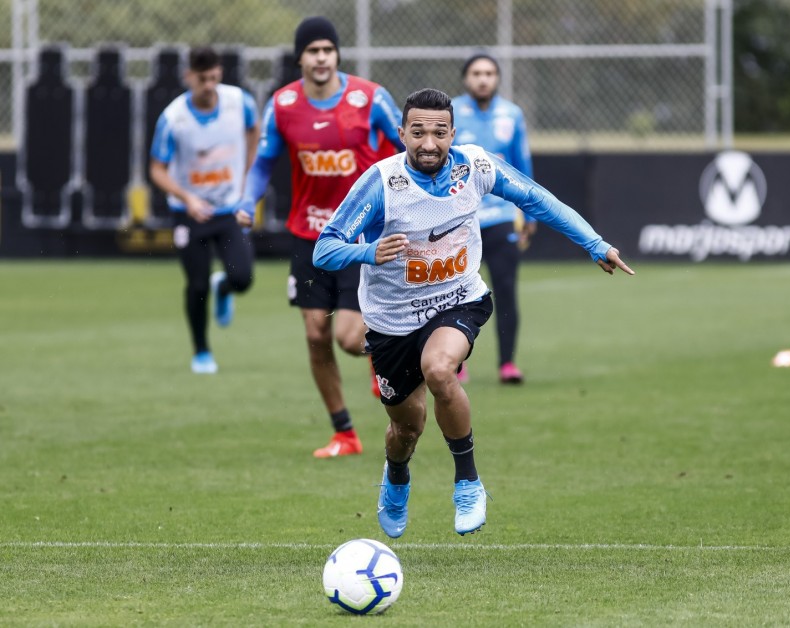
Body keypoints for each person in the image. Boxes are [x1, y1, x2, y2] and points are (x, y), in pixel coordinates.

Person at [313, 88, 634, 538]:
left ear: (453, 134)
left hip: (457, 298)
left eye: (439, 133)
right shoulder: (381, 183)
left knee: (440, 369)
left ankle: (467, 481)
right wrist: (369, 252)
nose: (429, 143)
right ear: (402, 133)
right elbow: (324, 250)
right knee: (406, 429)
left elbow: (537, 199)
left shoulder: (475, 166)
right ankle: (397, 477)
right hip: (391, 321)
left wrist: (595, 243)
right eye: (418, 133)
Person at [237, 16, 405, 458]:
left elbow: (405, 145)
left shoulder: (369, 98)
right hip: (309, 236)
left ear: (337, 55)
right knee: (315, 334)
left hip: (359, 235)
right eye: (313, 51)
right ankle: (344, 434)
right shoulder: (283, 104)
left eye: (328, 50)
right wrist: (245, 201)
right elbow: (263, 162)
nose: (321, 58)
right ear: (300, 58)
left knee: (349, 338)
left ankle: (390, 348)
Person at [149, 46, 260, 374]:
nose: (209, 85)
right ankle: (201, 352)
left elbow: (254, 131)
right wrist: (188, 198)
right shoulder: (173, 119)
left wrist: (247, 175)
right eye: (202, 79)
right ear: (188, 78)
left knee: (242, 278)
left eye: (213, 77)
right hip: (190, 213)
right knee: (195, 285)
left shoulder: (240, 103)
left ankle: (223, 287)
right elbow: (156, 169)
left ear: (220, 74)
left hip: (228, 209)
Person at [452, 53, 534, 384]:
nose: (483, 79)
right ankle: (457, 361)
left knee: (505, 289)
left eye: (489, 73)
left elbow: (522, 166)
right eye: (476, 73)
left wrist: (528, 214)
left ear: (497, 78)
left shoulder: (511, 114)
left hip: (502, 218)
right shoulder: (451, 112)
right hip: (459, 218)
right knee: (454, 293)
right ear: (465, 78)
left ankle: (507, 364)